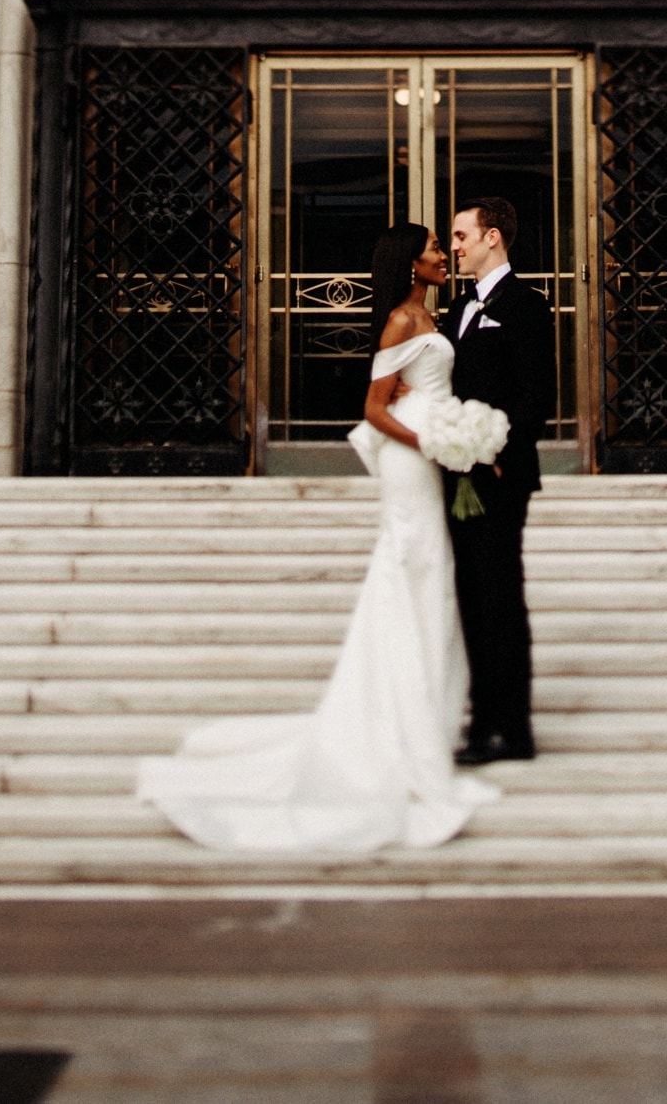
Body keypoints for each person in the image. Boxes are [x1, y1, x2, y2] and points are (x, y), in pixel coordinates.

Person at [137, 222, 500, 853]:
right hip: (411, 457)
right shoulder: (399, 320)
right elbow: (374, 408)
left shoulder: (426, 314)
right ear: (411, 262)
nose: (443, 255)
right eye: (434, 248)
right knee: (414, 564)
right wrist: (434, 444)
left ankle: (425, 723)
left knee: (430, 577)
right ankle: (402, 731)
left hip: (434, 450)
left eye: (446, 246)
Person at [448, 196, 555, 765]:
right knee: (471, 597)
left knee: (501, 597)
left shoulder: (526, 305)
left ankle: (513, 727)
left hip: (502, 474)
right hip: (457, 473)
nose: (456, 246)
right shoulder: (458, 309)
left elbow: (536, 396)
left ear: (493, 237)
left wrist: (497, 451)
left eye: (462, 235)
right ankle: (481, 717)